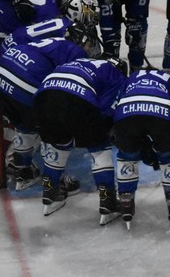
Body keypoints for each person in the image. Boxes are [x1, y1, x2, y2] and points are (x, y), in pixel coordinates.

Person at [0, 22, 102, 195]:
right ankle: (56, 182)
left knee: (26, 125)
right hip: (23, 81)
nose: (90, 49)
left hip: (0, 76)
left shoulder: (55, 43)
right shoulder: (75, 52)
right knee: (57, 130)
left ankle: (23, 171)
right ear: (81, 40)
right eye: (89, 44)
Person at [35, 55, 129, 222]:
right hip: (76, 98)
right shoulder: (116, 75)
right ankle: (108, 202)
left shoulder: (78, 62)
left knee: (58, 144)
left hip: (43, 97)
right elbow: (107, 110)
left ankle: (50, 192)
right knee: (100, 149)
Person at [112, 67, 170, 230]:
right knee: (169, 158)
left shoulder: (132, 78)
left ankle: (125, 201)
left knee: (127, 157)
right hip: (163, 112)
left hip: (126, 112)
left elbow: (117, 99)